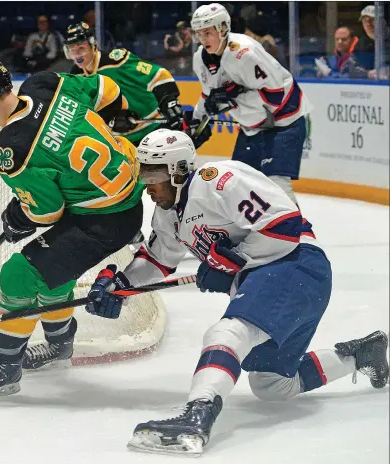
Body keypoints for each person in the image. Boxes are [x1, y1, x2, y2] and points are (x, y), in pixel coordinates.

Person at [85, 128, 389, 456]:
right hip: (279, 277)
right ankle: (361, 354)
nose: (148, 185)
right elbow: (158, 260)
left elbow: (284, 226)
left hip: (297, 264)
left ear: (178, 171)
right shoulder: (167, 215)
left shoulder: (220, 182)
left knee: (228, 332)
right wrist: (120, 285)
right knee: (272, 385)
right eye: (144, 173)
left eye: (155, 174)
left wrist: (234, 263)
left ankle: (196, 417)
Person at [0, 57, 145, 400]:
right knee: (55, 268)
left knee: (19, 274)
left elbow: (48, 212)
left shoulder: (12, 147)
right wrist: (115, 118)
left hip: (103, 219)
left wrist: (19, 217)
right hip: (126, 194)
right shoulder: (45, 84)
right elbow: (107, 89)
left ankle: (5, 368)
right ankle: (59, 347)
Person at [190, 3, 311, 205]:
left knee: (277, 184)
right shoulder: (199, 59)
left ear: (222, 28)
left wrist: (229, 99)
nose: (203, 39)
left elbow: (274, 97)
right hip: (252, 128)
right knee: (239, 184)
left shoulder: (244, 53)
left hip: (285, 121)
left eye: (208, 32)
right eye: (199, 33)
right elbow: (208, 94)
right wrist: (195, 120)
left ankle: (298, 232)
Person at [64, 22, 211, 149]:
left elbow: (158, 74)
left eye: (81, 48)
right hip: (121, 142)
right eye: (73, 50)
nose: (77, 55)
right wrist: (113, 120)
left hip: (153, 129)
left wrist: (169, 102)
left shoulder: (116, 61)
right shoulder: (76, 77)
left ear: (92, 45)